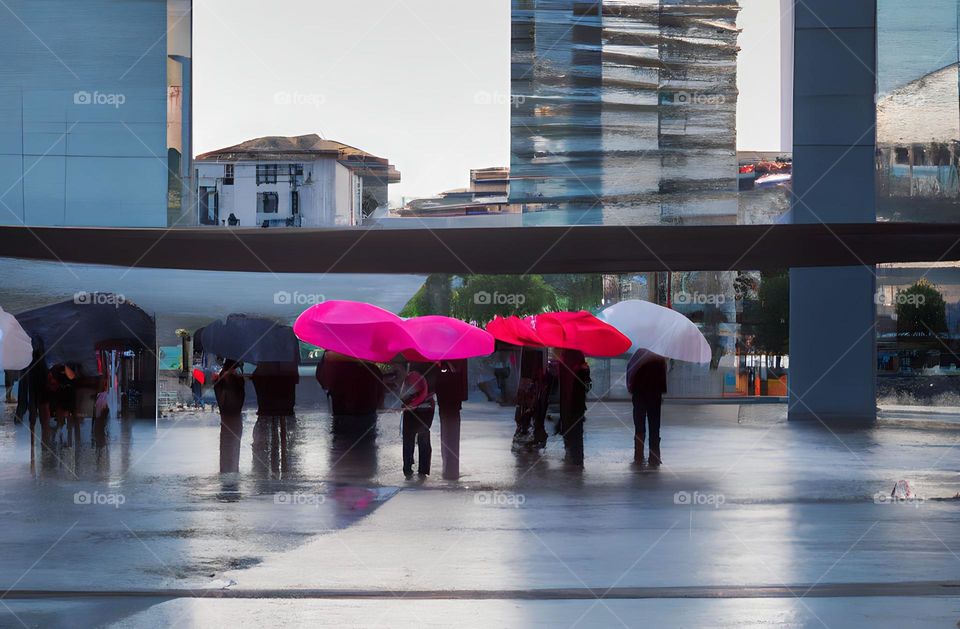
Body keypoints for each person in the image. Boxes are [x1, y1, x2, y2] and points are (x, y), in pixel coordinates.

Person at [316, 353, 384, 437]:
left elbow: (323, 381)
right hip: (367, 415)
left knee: (341, 443)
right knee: (367, 445)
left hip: (342, 414)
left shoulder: (333, 364)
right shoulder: (373, 369)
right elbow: (380, 400)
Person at [251, 362, 298, 475]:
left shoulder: (264, 363)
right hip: (284, 405)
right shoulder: (288, 360)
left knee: (272, 437)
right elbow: (294, 379)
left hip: (268, 405)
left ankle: (274, 468)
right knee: (283, 437)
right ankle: (283, 466)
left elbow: (256, 379)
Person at [627, 350, 667, 466]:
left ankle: (638, 456)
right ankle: (654, 457)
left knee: (639, 426)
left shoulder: (637, 355)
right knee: (654, 427)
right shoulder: (659, 357)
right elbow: (662, 380)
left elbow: (630, 375)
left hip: (639, 395)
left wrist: (632, 389)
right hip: (654, 396)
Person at [399, 363, 435, 478]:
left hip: (411, 406)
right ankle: (423, 469)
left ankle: (408, 468)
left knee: (408, 439)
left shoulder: (412, 358)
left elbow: (405, 386)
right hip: (427, 406)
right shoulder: (434, 360)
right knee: (423, 438)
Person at [435, 359, 468, 480]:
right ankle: (450, 471)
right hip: (452, 401)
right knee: (451, 436)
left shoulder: (448, 363)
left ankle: (449, 471)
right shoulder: (458, 359)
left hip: (449, 401)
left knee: (449, 435)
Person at [557, 349, 590, 466]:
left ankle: (573, 456)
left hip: (569, 403)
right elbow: (587, 385)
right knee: (576, 431)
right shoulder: (578, 362)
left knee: (570, 428)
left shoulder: (564, 359)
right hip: (576, 403)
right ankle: (576, 458)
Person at [213, 359, 245, 473]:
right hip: (233, 420)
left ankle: (227, 471)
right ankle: (230, 471)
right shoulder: (234, 381)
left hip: (227, 420)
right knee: (232, 448)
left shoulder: (220, 381)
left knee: (228, 448)